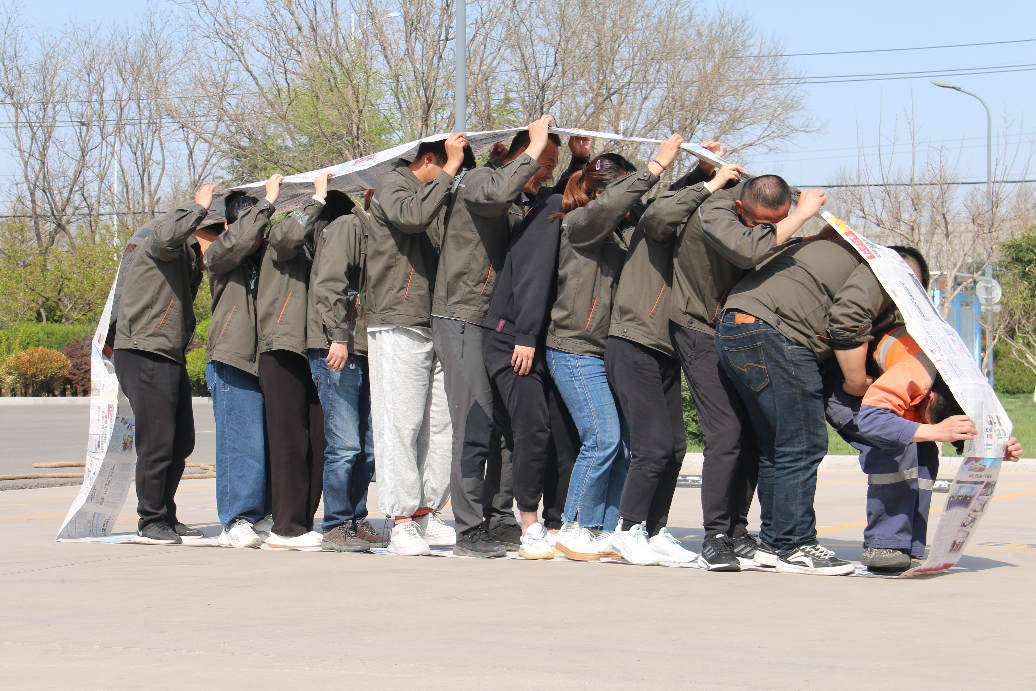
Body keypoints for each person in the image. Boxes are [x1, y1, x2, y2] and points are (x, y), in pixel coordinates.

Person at [660, 173, 828, 570]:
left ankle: (738, 531)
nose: (769, 231)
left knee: (752, 433)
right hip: (699, 327)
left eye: (778, 222)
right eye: (760, 223)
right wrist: (802, 215)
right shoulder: (716, 208)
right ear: (740, 208)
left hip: (735, 330)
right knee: (726, 432)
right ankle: (715, 536)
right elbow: (748, 250)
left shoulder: (759, 210)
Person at [823, 248, 1025, 571]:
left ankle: (911, 544)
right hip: (846, 386)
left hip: (887, 390)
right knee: (896, 446)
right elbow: (872, 419)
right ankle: (884, 545)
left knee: (926, 450)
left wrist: (998, 447)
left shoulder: (962, 378)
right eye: (928, 414)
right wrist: (932, 429)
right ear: (928, 398)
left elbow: (963, 420)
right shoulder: (916, 371)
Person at [715, 215, 893, 576]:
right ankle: (796, 544)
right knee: (803, 443)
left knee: (777, 445)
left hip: (733, 327)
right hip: (777, 334)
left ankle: (772, 543)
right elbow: (848, 319)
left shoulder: (816, 250)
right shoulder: (883, 269)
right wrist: (856, 382)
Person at [542, 137, 684, 562]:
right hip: (573, 347)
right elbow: (608, 208)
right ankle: (572, 527)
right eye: (626, 190)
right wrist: (657, 165)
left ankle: (604, 530)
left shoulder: (623, 227)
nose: (633, 200)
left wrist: (702, 174)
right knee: (602, 439)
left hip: (605, 349)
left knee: (622, 445)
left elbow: (662, 209)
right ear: (604, 191)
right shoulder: (580, 221)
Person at [606, 153, 746, 566]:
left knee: (675, 447)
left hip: (664, 346)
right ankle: (627, 529)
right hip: (633, 339)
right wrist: (709, 181)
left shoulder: (688, 238)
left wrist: (703, 173)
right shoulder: (656, 228)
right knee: (651, 447)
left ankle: (653, 530)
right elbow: (663, 209)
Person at [432, 115, 560, 558]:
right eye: (546, 162)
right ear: (521, 153)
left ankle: (499, 517)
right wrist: (534, 148)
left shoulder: (524, 197)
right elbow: (496, 194)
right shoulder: (479, 181)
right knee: (475, 423)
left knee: (506, 427)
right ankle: (468, 529)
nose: (549, 172)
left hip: (497, 324)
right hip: (462, 314)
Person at [366, 133, 471, 555]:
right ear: (431, 159)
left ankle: (427, 513)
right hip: (397, 318)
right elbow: (412, 217)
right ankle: (401, 521)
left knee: (440, 426)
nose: (453, 177)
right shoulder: (394, 184)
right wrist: (451, 169)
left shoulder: (438, 193)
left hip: (436, 319)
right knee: (401, 424)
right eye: (449, 167)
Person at [110, 184, 217, 545]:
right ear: (203, 231)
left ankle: (166, 515)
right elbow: (166, 237)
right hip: (144, 349)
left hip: (166, 351)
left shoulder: (187, 257)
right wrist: (198, 208)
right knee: (157, 442)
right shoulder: (167, 240)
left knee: (180, 441)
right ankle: (151, 520)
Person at [197, 178, 280, 548]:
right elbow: (238, 241)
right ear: (228, 226)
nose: (256, 235)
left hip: (267, 357)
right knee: (241, 442)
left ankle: (262, 515)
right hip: (233, 357)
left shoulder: (265, 255)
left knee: (266, 443)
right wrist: (268, 203)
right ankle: (237, 520)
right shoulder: (220, 254)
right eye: (249, 224)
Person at [256, 172, 338, 549]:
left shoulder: (316, 250)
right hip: (281, 345)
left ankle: (302, 522)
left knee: (319, 439)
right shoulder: (283, 234)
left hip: (313, 346)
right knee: (289, 439)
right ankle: (285, 527)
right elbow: (289, 235)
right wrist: (316, 199)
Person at [306, 189, 386, 552]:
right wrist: (337, 336)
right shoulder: (348, 227)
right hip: (338, 347)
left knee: (367, 446)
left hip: (366, 347)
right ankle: (336, 525)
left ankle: (355, 519)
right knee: (344, 445)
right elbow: (330, 284)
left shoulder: (376, 230)